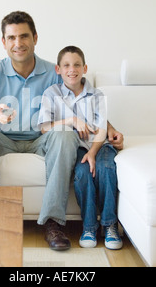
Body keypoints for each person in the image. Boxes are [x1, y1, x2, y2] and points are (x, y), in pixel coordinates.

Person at [0, 11, 123, 251]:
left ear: (35, 38)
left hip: (43, 139)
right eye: (12, 38)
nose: (19, 43)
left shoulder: (54, 71)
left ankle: (52, 222)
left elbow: (83, 101)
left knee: (66, 133)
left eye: (24, 36)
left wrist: (109, 128)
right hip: (2, 139)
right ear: (4, 42)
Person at [38, 46, 123, 250]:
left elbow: (101, 129)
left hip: (98, 146)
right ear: (58, 69)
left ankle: (110, 225)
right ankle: (89, 226)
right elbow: (44, 128)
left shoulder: (96, 95)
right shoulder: (51, 93)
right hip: (76, 148)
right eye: (66, 65)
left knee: (106, 170)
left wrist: (93, 153)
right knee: (83, 173)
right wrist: (71, 120)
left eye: (77, 65)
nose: (72, 70)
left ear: (84, 68)